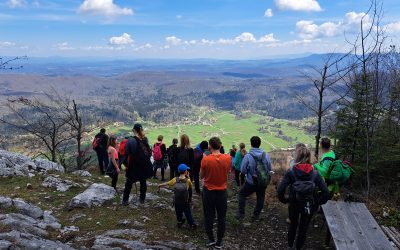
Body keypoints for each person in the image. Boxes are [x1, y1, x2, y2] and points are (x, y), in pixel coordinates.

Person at [277, 146, 330, 250]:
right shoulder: (315, 174)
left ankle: (290, 246)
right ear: (309, 158)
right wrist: (317, 203)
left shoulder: (291, 172)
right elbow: (326, 193)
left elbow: (280, 190)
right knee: (303, 228)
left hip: (294, 203)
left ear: (297, 157)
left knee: (293, 226)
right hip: (309, 205)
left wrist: (285, 200)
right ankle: (298, 248)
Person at [200, 137, 231, 249]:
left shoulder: (206, 159)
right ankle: (220, 241)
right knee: (222, 217)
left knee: (209, 215)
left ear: (210, 146)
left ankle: (210, 239)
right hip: (222, 191)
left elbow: (201, 176)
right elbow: (227, 172)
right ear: (220, 145)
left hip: (208, 191)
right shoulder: (228, 158)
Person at [236, 136, 273, 221]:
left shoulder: (248, 156)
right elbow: (270, 168)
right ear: (260, 144)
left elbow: (243, 170)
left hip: (251, 182)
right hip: (263, 182)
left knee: (242, 194)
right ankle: (255, 216)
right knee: (260, 198)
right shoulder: (265, 155)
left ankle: (241, 214)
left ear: (251, 144)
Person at [158, 164, 197, 229]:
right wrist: (188, 177)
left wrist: (160, 185)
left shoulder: (175, 179)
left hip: (177, 200)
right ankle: (192, 224)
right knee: (187, 213)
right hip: (185, 201)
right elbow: (190, 187)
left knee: (178, 212)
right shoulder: (188, 180)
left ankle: (179, 222)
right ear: (186, 172)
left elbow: (168, 183)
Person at [122, 123, 152, 205]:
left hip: (134, 165)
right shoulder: (145, 139)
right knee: (143, 182)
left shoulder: (131, 140)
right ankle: (142, 199)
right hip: (144, 165)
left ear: (134, 130)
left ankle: (125, 200)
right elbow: (148, 153)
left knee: (129, 182)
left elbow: (127, 152)